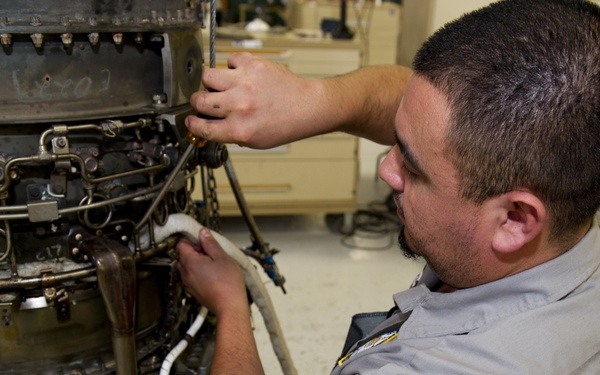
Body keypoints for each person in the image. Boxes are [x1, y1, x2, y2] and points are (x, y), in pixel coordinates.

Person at [176, 0, 600, 373]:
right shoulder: (568, 204)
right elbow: (424, 114)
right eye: (396, 142)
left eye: (412, 170)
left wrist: (231, 307)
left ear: (515, 220)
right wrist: (315, 100)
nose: (385, 171)